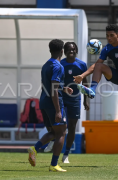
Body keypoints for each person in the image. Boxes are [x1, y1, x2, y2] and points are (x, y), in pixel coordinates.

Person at [74, 24, 118, 138]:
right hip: (117, 74)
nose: (109, 38)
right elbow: (96, 65)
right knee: (99, 66)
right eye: (107, 35)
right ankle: (92, 90)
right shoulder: (107, 48)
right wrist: (82, 76)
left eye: (111, 35)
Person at [27, 39, 73, 172]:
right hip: (54, 103)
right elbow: (53, 88)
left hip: (44, 102)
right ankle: (54, 164)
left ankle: (34, 149)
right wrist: (58, 110)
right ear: (62, 51)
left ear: (50, 50)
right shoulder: (58, 66)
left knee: (53, 132)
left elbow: (51, 85)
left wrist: (64, 89)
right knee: (61, 132)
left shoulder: (46, 65)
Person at [44, 42, 89, 163]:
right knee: (56, 124)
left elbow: (85, 83)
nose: (71, 51)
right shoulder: (60, 64)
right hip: (61, 99)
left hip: (75, 99)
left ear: (77, 51)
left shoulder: (82, 65)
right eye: (69, 49)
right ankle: (52, 140)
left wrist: (86, 100)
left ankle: (66, 154)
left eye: (74, 49)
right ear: (64, 51)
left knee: (72, 127)